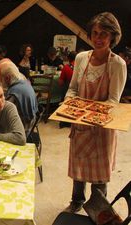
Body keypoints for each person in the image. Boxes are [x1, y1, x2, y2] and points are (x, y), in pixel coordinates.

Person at [64, 12, 127, 213]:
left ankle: (98, 210)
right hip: (80, 125)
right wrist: (68, 103)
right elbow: (73, 88)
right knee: (79, 169)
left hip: (102, 128)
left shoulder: (117, 64)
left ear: (113, 38)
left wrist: (90, 113)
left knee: (99, 176)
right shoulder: (82, 58)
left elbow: (112, 100)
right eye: (95, 33)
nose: (98, 39)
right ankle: (76, 201)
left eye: (104, 35)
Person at [0, 59, 38, 138]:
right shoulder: (24, 82)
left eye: (1, 78)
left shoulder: (14, 93)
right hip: (30, 123)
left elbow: (2, 116)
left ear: (7, 78)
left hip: (22, 131)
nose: (0, 82)